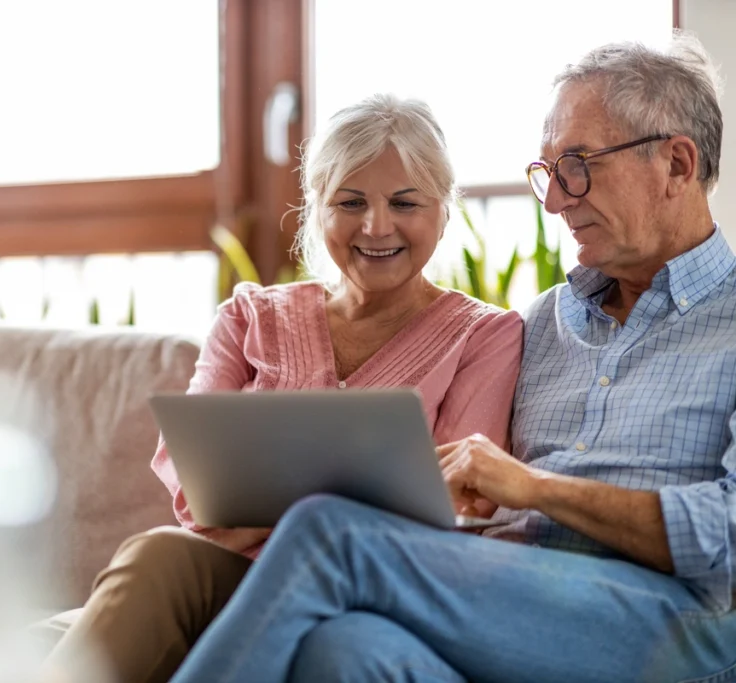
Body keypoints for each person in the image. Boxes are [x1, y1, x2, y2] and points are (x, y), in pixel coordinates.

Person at [168, 33, 736, 683]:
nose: (553, 199)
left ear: (678, 165)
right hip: (504, 596)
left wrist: (533, 487)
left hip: (667, 619)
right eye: (548, 171)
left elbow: (731, 535)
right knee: (344, 649)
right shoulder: (544, 321)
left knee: (330, 531)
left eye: (578, 164)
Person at [45, 93, 523, 683]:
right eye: (350, 202)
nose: (376, 226)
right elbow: (198, 489)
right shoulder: (249, 316)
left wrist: (274, 517)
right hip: (235, 576)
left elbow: (450, 505)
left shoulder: (486, 335)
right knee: (160, 552)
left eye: (405, 202)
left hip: (367, 596)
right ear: (315, 210)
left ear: (445, 212)